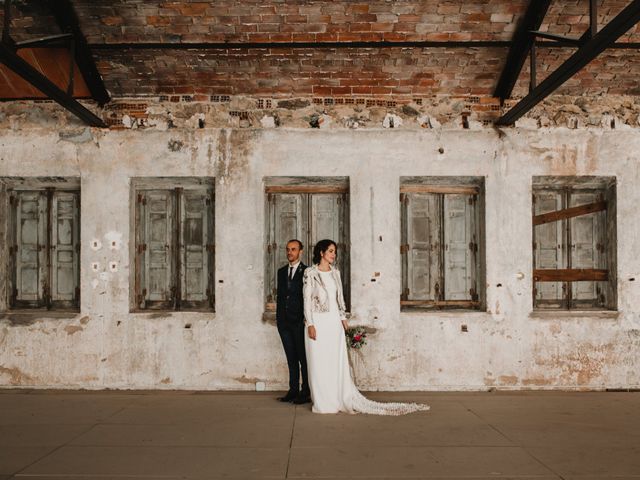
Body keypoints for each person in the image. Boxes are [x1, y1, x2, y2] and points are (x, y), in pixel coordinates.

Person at [303, 239, 430, 415]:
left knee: (334, 363)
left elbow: (339, 298)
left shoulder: (335, 273)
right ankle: (323, 402)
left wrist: (342, 318)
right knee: (318, 363)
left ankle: (338, 398)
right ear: (321, 253)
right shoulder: (310, 273)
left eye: (334, 252)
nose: (334, 255)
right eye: (331, 251)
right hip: (317, 322)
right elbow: (306, 301)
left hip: (333, 324)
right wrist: (310, 324)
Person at [276, 239, 310, 404]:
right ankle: (293, 390)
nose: (290, 252)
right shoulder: (281, 272)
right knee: (291, 358)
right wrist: (279, 320)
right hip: (284, 323)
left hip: (299, 323)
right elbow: (281, 297)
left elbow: (310, 297)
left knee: (303, 358)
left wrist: (307, 319)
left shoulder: (308, 271)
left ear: (300, 252)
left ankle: (305, 392)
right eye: (288, 249)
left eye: (294, 249)